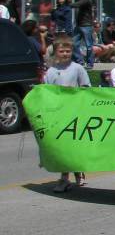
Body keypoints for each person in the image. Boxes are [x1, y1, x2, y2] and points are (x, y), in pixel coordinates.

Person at [44, 34, 91, 192]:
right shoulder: (50, 71)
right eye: (62, 51)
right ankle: (65, 178)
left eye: (68, 51)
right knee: (62, 147)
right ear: (55, 52)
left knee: (73, 146)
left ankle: (76, 172)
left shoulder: (77, 68)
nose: (65, 54)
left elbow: (86, 88)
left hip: (75, 113)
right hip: (58, 115)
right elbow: (46, 93)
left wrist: (76, 94)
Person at [71, 0, 94, 68]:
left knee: (89, 46)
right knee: (73, 44)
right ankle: (79, 60)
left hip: (86, 25)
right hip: (79, 25)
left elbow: (77, 5)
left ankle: (89, 63)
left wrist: (66, 4)